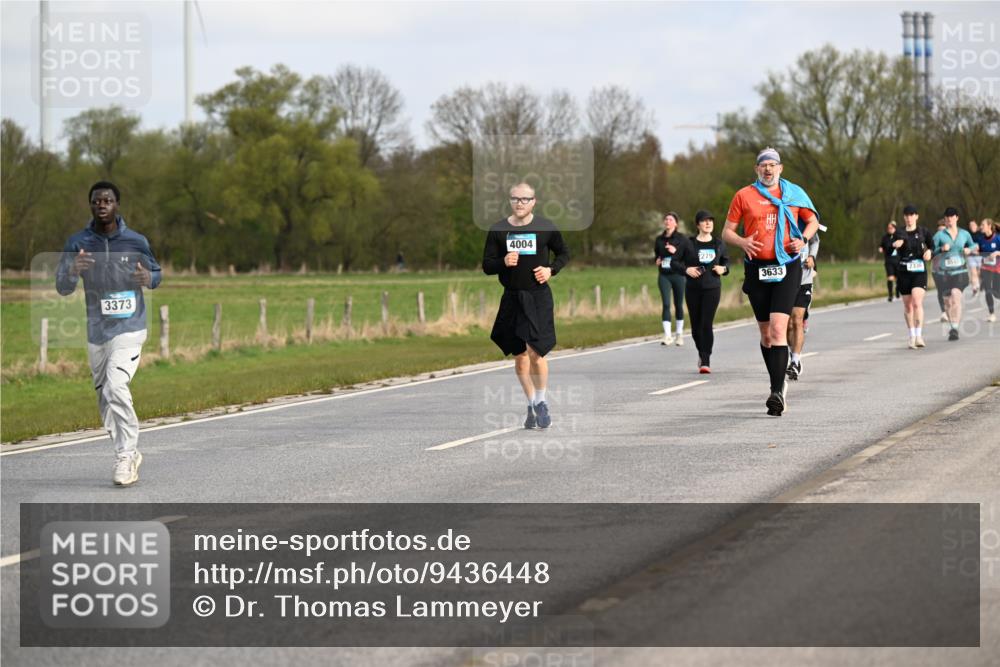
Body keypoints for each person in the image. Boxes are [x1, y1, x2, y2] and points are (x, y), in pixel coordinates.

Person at [56, 181, 162, 486]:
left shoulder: (135, 241)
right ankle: (126, 450)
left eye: (107, 200)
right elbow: (62, 288)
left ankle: (126, 456)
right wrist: (72, 270)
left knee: (116, 386)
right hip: (97, 330)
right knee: (105, 397)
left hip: (130, 327)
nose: (101, 205)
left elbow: (157, 272)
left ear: (117, 204)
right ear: (90, 205)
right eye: (96, 201)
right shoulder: (77, 242)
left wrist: (148, 277)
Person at [723, 147, 820, 416]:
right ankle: (776, 383)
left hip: (786, 267)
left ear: (780, 168)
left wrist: (803, 239)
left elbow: (812, 221)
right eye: (763, 165)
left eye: (772, 165)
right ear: (757, 170)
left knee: (779, 330)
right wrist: (742, 242)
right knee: (766, 335)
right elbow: (727, 232)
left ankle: (777, 393)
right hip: (757, 269)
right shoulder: (744, 195)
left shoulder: (794, 194)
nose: (768, 169)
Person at [483, 183, 570, 430]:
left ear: (534, 201)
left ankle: (542, 402)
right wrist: (503, 261)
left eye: (525, 199)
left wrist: (551, 269)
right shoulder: (499, 230)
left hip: (538, 296)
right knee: (520, 356)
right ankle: (531, 404)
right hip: (512, 297)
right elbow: (487, 265)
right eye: (515, 199)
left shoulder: (545, 227)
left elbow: (564, 253)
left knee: (536, 352)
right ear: (510, 201)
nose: (519, 203)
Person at [680, 210, 729, 373]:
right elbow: (675, 263)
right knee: (695, 327)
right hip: (693, 289)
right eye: (704, 221)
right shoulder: (688, 243)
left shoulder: (719, 244)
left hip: (712, 288)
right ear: (697, 224)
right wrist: (686, 270)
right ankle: (702, 352)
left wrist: (724, 269)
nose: (708, 223)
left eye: (710, 221)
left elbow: (726, 264)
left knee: (706, 324)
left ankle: (705, 359)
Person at [932, 207, 977, 341]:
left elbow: (975, 245)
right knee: (947, 302)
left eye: (952, 217)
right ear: (945, 220)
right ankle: (952, 325)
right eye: (947, 218)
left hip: (960, 271)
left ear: (956, 218)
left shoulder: (964, 234)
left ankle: (955, 329)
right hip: (944, 273)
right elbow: (930, 252)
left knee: (956, 296)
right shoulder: (939, 235)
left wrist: (969, 249)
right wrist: (941, 249)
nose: (949, 220)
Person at [785, 221, 823, 380]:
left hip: (804, 278)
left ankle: (795, 361)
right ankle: (788, 350)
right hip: (784, 279)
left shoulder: (806, 220)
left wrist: (812, 257)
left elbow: (815, 240)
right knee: (786, 324)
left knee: (797, 320)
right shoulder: (781, 220)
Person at [893, 204, 934, 349]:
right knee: (908, 305)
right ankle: (911, 335)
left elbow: (932, 246)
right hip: (904, 272)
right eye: (907, 215)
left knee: (917, 302)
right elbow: (894, 245)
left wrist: (930, 253)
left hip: (919, 271)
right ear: (904, 217)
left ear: (916, 216)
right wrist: (896, 244)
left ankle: (919, 335)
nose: (909, 218)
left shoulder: (924, 232)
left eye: (912, 215)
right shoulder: (899, 232)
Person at [654, 212, 692, 346]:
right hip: (664, 275)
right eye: (666, 219)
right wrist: (657, 260)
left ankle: (679, 334)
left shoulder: (682, 239)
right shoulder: (659, 239)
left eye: (670, 219)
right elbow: (657, 255)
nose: (667, 221)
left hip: (678, 275)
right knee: (665, 304)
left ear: (676, 223)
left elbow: (688, 255)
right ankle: (667, 335)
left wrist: (675, 251)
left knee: (678, 304)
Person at [975, 218, 999, 323]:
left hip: (997, 268)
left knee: (997, 293)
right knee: (988, 290)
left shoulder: (997, 238)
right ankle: (991, 314)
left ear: (989, 226)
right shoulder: (981, 240)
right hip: (986, 268)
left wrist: (997, 253)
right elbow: (980, 254)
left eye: (983, 224)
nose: (981, 226)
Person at [878, 221, 901, 301]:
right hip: (889, 260)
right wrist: (880, 248)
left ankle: (898, 291)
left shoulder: (899, 237)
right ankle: (890, 295)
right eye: (888, 228)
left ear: (895, 228)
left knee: (899, 278)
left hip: (898, 260)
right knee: (890, 278)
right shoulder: (885, 237)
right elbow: (881, 245)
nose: (889, 229)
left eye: (891, 228)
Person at [931, 220, 948, 321]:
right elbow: (931, 251)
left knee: (948, 291)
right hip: (937, 268)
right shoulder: (936, 237)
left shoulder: (952, 237)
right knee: (941, 290)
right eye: (939, 230)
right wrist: (941, 249)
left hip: (950, 269)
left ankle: (948, 310)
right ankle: (944, 312)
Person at [968, 220, 984, 295]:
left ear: (976, 226)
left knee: (980, 272)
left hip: (980, 255)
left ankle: (982, 283)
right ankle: (975, 287)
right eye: (970, 226)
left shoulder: (981, 234)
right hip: (971, 256)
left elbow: (984, 244)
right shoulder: (968, 235)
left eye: (973, 225)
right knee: (973, 272)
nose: (972, 227)